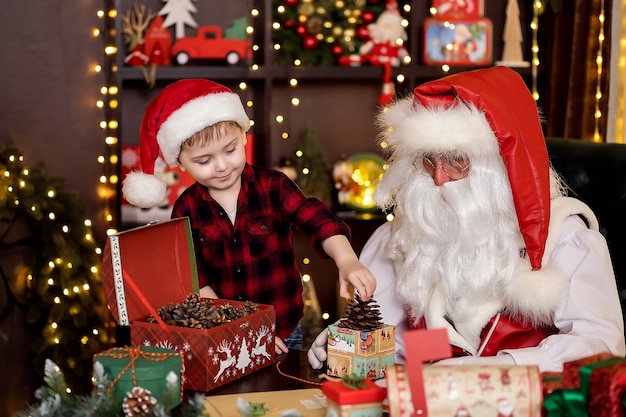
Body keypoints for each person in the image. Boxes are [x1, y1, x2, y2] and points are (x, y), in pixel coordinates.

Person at [308, 66, 625, 372]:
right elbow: (400, 345)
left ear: (502, 167)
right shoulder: (402, 239)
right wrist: (352, 345)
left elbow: (602, 346)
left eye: (456, 161)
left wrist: (506, 366)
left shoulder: (567, 240)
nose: (439, 179)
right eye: (428, 161)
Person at [122, 79, 377, 354]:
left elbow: (317, 219)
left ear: (244, 135)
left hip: (284, 331)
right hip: (225, 336)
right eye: (204, 161)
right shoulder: (186, 208)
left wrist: (347, 259)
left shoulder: (273, 186)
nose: (221, 166)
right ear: (180, 162)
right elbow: (196, 279)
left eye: (230, 150)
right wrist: (239, 332)